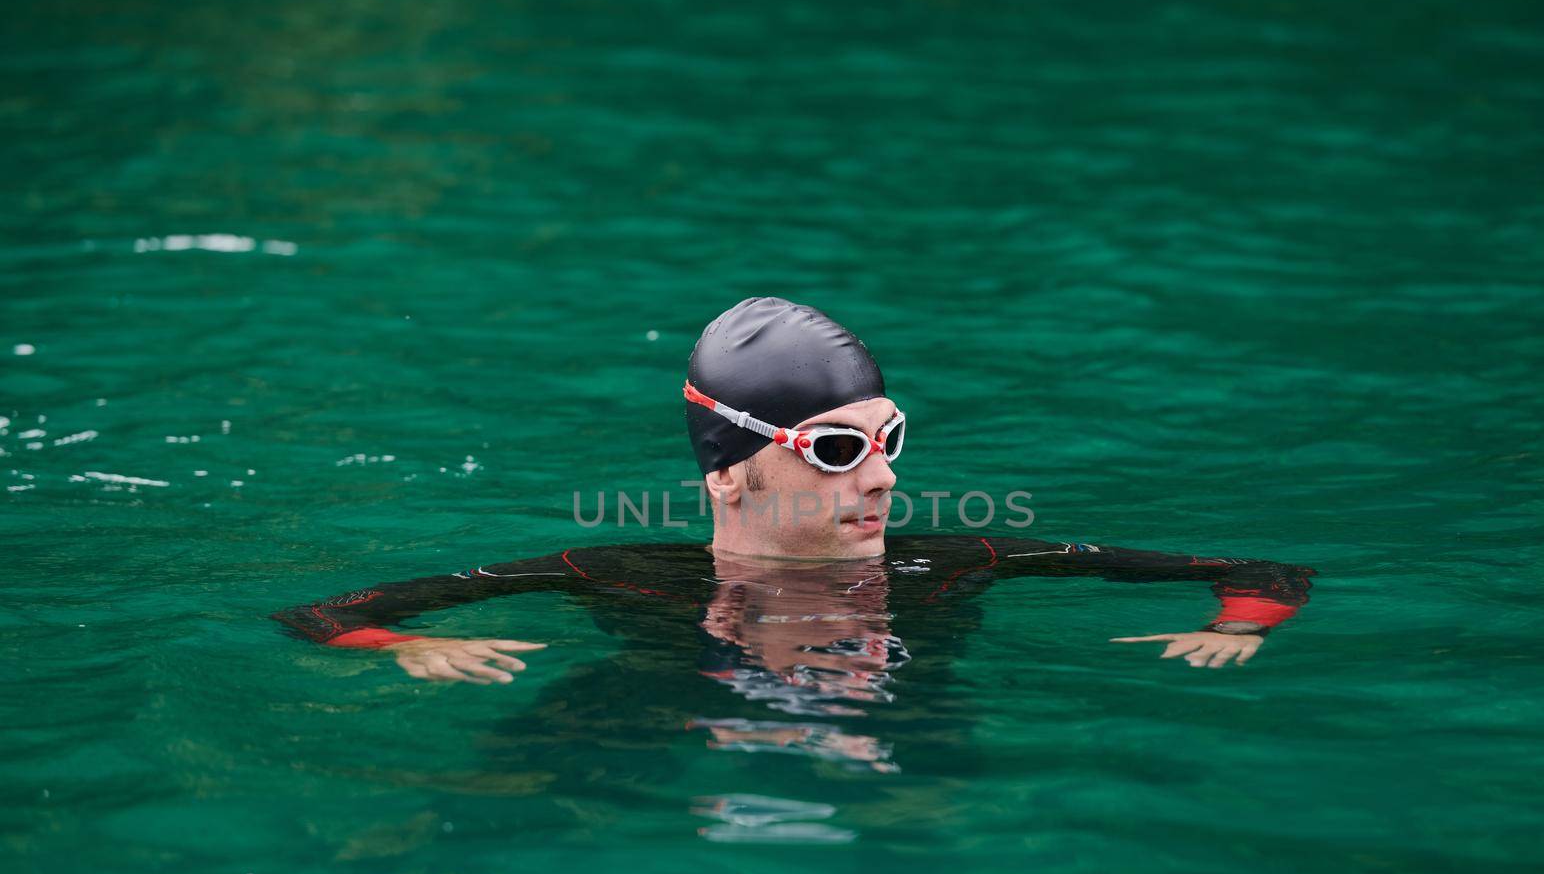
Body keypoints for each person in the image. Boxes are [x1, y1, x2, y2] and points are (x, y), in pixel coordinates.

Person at [272, 297, 1314, 689]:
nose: (887, 472)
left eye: (888, 437)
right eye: (835, 450)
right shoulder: (619, 571)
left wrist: (1243, 628)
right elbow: (317, 613)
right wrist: (405, 647)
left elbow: (1258, 567)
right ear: (728, 470)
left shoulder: (960, 558)